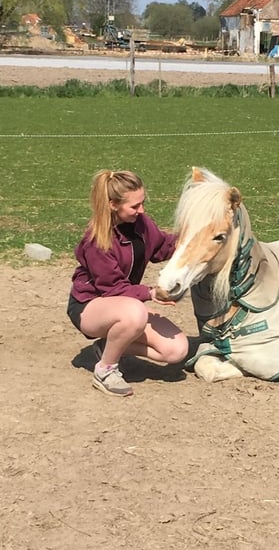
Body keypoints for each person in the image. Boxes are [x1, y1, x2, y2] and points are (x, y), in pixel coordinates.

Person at [67, 170, 189, 397]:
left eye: (142, 203)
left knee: (176, 351)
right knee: (136, 312)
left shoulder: (141, 223)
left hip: (125, 304)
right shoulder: (97, 240)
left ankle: (107, 348)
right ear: (113, 204)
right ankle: (105, 370)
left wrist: (191, 238)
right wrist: (150, 293)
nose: (141, 210)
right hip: (89, 306)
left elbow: (162, 247)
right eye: (135, 206)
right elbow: (113, 288)